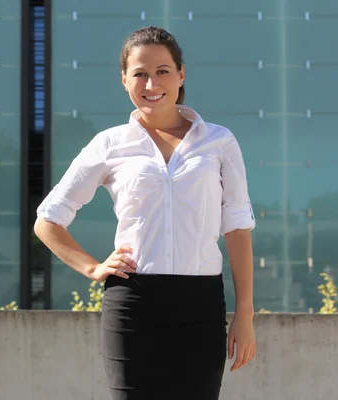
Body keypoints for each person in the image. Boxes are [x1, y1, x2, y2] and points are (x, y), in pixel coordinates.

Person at [34, 26, 256, 399]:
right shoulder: (109, 144)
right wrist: (92, 268)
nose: (151, 82)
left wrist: (245, 315)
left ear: (181, 74)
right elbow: (48, 220)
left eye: (163, 71)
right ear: (124, 80)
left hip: (200, 305)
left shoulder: (219, 141)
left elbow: (236, 228)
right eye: (139, 73)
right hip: (133, 304)